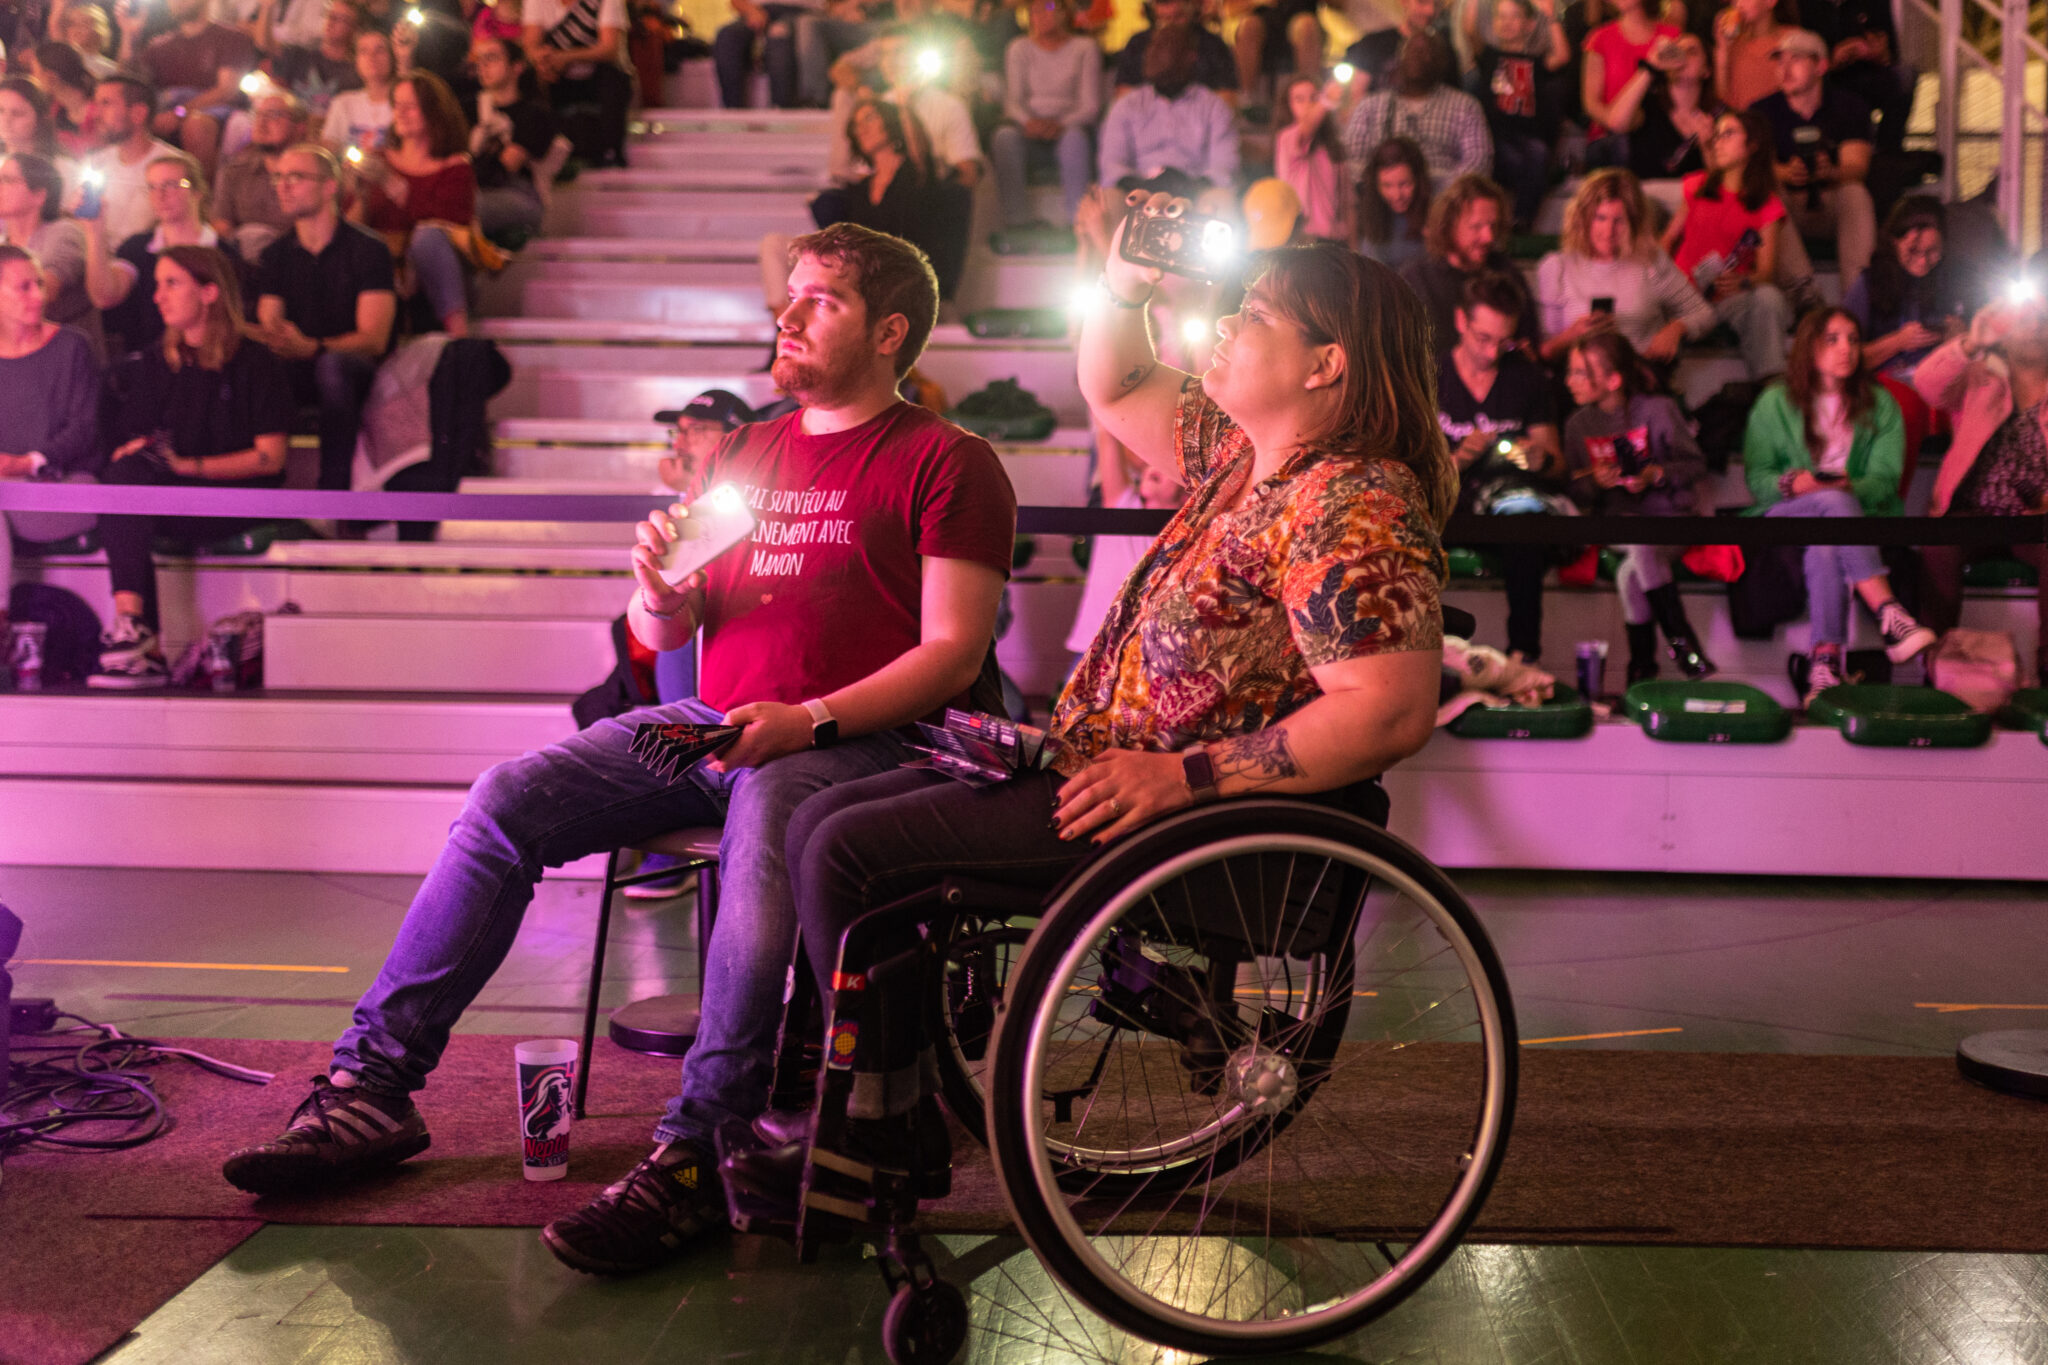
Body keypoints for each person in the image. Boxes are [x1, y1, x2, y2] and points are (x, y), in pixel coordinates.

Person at [217, 224, 1019, 1270]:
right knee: (506, 797)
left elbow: (954, 657)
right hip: (708, 727)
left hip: (852, 743)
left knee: (773, 795)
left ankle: (698, 1147)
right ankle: (373, 1089)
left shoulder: (949, 462)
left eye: (819, 300)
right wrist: (656, 593)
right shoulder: (745, 449)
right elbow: (666, 638)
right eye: (789, 294)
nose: (787, 314)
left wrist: (809, 719)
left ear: (890, 331)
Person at [734, 218, 1456, 1212]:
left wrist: (1183, 776)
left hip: (1169, 811)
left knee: (845, 852)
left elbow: (1385, 713)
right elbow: (1115, 385)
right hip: (1099, 772)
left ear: (1324, 363)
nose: (1223, 326)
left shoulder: (1355, 499)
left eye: (1252, 317)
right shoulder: (1247, 459)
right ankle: (861, 1116)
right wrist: (1120, 284)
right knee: (815, 820)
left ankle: (869, 1135)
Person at [90, 246, 291, 687]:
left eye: (171, 284)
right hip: (176, 492)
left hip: (238, 500)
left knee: (128, 496)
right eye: (157, 285)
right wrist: (142, 447)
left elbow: (270, 457)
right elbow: (135, 436)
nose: (158, 296)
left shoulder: (256, 360)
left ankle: (143, 643)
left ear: (209, 291)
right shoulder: (157, 359)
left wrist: (190, 465)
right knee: (122, 483)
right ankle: (136, 633)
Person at [1740, 307, 1932, 699]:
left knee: (1827, 539)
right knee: (1829, 503)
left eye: (1853, 339)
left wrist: (1850, 487)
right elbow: (1757, 481)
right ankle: (1890, 613)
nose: (1846, 348)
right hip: (1786, 513)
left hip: (1850, 517)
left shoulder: (1881, 403)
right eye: (1832, 339)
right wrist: (1793, 482)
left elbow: (1885, 482)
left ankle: (1824, 664)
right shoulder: (1774, 401)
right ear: (1809, 348)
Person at [1563, 329, 1717, 682]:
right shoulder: (1578, 425)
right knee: (1639, 543)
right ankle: (1682, 643)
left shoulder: (1658, 410)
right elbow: (1576, 490)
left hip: (1670, 520)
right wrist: (1594, 483)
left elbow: (1695, 465)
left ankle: (1642, 667)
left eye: (1580, 372)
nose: (1569, 381)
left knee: (1629, 571)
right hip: (1618, 523)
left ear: (1614, 379)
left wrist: (1655, 475)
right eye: (1569, 371)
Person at [1914, 293, 2048, 682]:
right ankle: (1935, 663)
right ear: (2005, 333)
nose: (2036, 326)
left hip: (2035, 518)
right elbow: (1927, 385)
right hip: (1969, 510)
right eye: (2025, 318)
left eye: (2042, 318)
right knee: (1939, 544)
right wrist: (1971, 343)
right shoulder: (1980, 375)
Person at [250, 142, 395, 490]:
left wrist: (312, 347)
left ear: (330, 185)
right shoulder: (276, 254)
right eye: (279, 178)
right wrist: (277, 338)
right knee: (255, 366)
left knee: (333, 367)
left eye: (295, 177)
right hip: (296, 364)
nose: (283, 186)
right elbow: (270, 322)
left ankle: (334, 492)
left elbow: (373, 339)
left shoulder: (368, 249)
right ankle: (260, 496)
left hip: (355, 370)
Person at [1440, 269, 1563, 661]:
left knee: (1525, 523)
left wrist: (1538, 459)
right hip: (1445, 507)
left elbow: (1557, 464)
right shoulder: (1431, 375)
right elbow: (1406, 473)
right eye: (1483, 338)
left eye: (1503, 342)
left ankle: (1523, 655)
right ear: (1461, 321)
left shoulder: (1525, 378)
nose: (1493, 353)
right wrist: (1459, 459)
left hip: (1506, 509)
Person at [0, 244, 102, 611]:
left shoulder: (72, 346)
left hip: (68, 487)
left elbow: (84, 431)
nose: (38, 296)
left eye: (38, 284)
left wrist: (26, 464)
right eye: (24, 287)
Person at [1844, 196, 1973, 483]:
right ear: (1893, 241)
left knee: (1977, 396)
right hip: (1889, 385)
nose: (1924, 260)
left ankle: (1961, 497)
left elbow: (1975, 345)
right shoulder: (1870, 283)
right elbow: (1846, 357)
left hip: (1941, 383)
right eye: (1913, 250)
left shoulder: (1951, 282)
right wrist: (1898, 341)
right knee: (1901, 404)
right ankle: (1887, 500)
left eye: (1933, 251)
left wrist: (1960, 339)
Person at [1536, 168, 1715, 369]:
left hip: (1641, 374)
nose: (1609, 231)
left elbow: (1704, 313)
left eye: (1619, 221)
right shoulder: (1557, 268)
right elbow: (1545, 351)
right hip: (1582, 380)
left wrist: (1676, 328)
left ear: (1633, 222)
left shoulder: (1650, 261)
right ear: (1583, 219)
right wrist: (1573, 335)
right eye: (1600, 218)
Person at [1662, 108, 1791, 378]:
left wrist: (1743, 281)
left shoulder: (1766, 204)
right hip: (1682, 294)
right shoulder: (1698, 186)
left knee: (1768, 298)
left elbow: (1767, 272)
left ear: (1752, 145)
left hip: (1724, 299)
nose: (1717, 141)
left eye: (1728, 134)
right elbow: (1667, 240)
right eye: (1717, 135)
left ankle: (1771, 387)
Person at [351, 70, 476, 336]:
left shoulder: (455, 168)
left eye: (411, 106)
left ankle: (459, 336)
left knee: (428, 236)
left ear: (434, 111)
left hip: (433, 273)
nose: (401, 112)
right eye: (396, 105)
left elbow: (446, 223)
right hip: (382, 269)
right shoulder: (377, 160)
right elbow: (351, 228)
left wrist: (396, 187)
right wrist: (359, 191)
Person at [1751, 27, 1875, 287]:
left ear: (1820, 66)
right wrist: (1784, 172)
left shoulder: (1849, 106)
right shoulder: (1762, 111)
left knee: (1855, 193)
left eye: (1795, 59)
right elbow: (1755, 166)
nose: (1784, 68)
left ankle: (1857, 300)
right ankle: (1805, 294)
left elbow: (1857, 166)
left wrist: (1830, 172)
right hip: (1788, 208)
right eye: (1780, 60)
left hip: (1830, 202)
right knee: (1768, 194)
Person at [1062, 429, 1186, 664]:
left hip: (1146, 653)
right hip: (1095, 646)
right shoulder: (1123, 505)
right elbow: (1106, 439)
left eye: (1170, 467)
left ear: (1186, 494)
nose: (1156, 467)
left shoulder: (1188, 534)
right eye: (1153, 465)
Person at [85, 148, 224, 355]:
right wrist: (94, 231)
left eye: (171, 185)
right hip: (149, 366)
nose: (160, 195)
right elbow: (104, 297)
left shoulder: (223, 254)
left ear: (197, 191)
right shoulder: (137, 248)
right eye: (152, 187)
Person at [1095, 20, 1237, 203]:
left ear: (1190, 57)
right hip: (1138, 195)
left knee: (1222, 200)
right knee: (1107, 201)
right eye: (1153, 46)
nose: (1154, 54)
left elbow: (1224, 167)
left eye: (1166, 47)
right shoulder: (1126, 106)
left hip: (1194, 195)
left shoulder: (1214, 107)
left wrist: (1188, 187)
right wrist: (1145, 187)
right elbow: (1112, 166)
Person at [990, 0, 1099, 235]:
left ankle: (1077, 223)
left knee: (1075, 139)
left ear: (1064, 12)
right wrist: (1028, 122)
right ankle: (1016, 224)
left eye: (1048, 8)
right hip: (1028, 129)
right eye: (1034, 10)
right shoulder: (1018, 48)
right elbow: (1013, 101)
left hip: (1069, 127)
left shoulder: (1085, 47)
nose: (1040, 15)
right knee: (1004, 137)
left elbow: (1090, 105)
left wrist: (1060, 124)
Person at [1339, 30, 1490, 191]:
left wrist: (1429, 188)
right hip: (1383, 201)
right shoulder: (1371, 106)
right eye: (1411, 51)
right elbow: (1351, 159)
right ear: (1398, 60)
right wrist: (1390, 186)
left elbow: (1478, 163)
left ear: (1441, 62)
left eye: (1425, 52)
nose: (1417, 57)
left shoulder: (1465, 107)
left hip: (1442, 202)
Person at [123, 0, 259, 175]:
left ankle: (202, 197)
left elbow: (226, 91)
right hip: (169, 111)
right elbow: (127, 82)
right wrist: (129, 35)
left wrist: (179, 113)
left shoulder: (231, 37)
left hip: (217, 113)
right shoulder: (160, 45)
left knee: (195, 125)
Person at [1399, 173, 1530, 353]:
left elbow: (1527, 342)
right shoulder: (1416, 279)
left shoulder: (1507, 273)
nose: (1488, 237)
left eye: (1493, 226)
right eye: (1476, 227)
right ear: (1448, 224)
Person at [1465, 0, 1568, 227]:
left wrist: (1550, 15)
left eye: (1514, 17)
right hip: (1495, 140)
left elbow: (1562, 55)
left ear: (1529, 25)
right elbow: (1470, 31)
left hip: (1528, 140)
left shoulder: (1537, 60)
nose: (1506, 23)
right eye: (1501, 17)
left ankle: (1520, 222)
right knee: (1515, 159)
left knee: (1538, 153)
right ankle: (1499, 222)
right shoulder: (1488, 55)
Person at [0, 151, 104, 359]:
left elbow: (45, 290)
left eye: (7, 180)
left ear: (39, 195)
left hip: (63, 357)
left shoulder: (63, 232)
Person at [521, 0, 632, 168]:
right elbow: (530, 43)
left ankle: (611, 151)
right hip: (556, 78)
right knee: (528, 77)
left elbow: (609, 49)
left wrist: (564, 57)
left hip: (599, 78)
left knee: (612, 79)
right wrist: (543, 61)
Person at [468, 34, 556, 242]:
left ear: (517, 67)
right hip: (475, 190)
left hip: (519, 195)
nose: (483, 65)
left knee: (464, 206)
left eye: (492, 58)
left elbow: (506, 166)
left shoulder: (534, 113)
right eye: (480, 60)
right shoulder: (469, 109)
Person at [1602, 28, 1720, 180]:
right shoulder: (1650, 104)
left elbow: (1721, 182)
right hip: (1647, 197)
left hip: (1690, 198)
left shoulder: (1716, 116)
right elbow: (1616, 123)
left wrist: (1707, 147)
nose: (1682, 56)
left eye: (1691, 52)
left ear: (1707, 70)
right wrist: (1651, 67)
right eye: (1677, 50)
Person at [85, 74, 181, 249]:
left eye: (106, 103)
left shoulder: (173, 165)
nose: (95, 114)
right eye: (96, 104)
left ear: (138, 113)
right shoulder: (96, 162)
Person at [1580, 0, 1681, 165]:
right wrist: (1620, 123)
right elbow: (1590, 102)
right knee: (1623, 145)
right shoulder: (1599, 38)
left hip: (1660, 130)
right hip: (1610, 135)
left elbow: (1681, 89)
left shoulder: (1671, 35)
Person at [211, 87, 303, 259]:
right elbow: (221, 224)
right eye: (258, 115)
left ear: (299, 127)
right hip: (242, 260)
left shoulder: (311, 174)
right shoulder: (235, 171)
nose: (261, 123)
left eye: (274, 115)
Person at [1112, 0, 1237, 103]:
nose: (1170, 22)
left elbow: (1227, 98)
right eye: (1165, 3)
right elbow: (1123, 97)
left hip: (1199, 125)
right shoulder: (1138, 44)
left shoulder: (1213, 45)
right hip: (1148, 125)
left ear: (1192, 7)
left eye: (1178, 17)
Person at [1272, 73, 1346, 242]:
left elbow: (1348, 205)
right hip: (1302, 236)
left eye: (1313, 97)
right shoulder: (1287, 138)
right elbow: (1307, 126)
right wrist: (1326, 101)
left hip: (1335, 238)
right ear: (1288, 105)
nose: (1308, 104)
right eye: (1299, 99)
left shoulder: (1333, 145)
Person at [268, 0, 364, 124]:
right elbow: (266, 47)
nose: (331, 21)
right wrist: (267, 8)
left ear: (354, 29)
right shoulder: (299, 56)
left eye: (341, 19)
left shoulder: (355, 74)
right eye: (330, 15)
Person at [1342, 0, 1443, 97]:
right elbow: (1354, 97)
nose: (1431, 11)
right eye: (1422, 2)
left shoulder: (1444, 50)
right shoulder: (1373, 44)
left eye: (1437, 4)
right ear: (1404, 2)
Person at [1356, 134, 1429, 270]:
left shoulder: (1435, 210)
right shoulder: (1373, 215)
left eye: (1404, 184)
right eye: (1387, 186)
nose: (1396, 196)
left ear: (1419, 180)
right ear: (1376, 185)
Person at [320, 26, 396, 152]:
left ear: (392, 57)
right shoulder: (343, 103)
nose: (372, 57)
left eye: (380, 50)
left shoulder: (403, 105)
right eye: (364, 51)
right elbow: (329, 149)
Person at [1713, 0, 1789, 110]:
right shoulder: (1733, 46)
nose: (1738, 5)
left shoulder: (1791, 40)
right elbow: (1723, 98)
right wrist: (1722, 48)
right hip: (1745, 121)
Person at [30, 43, 102, 158]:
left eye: (35, 72)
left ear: (51, 77)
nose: (32, 77)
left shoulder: (101, 112)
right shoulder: (53, 111)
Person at [0, 76, 62, 164]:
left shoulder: (59, 167)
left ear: (40, 119)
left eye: (17, 113)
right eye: (0, 110)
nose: (6, 120)